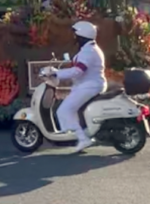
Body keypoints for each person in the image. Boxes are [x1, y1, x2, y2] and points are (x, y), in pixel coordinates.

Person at [42, 21, 106, 153]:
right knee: (72, 109)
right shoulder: (90, 49)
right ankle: (80, 134)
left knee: (64, 110)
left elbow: (78, 71)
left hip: (89, 86)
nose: (74, 37)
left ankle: (82, 139)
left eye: (75, 35)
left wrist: (56, 73)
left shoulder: (88, 51)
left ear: (81, 36)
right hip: (88, 84)